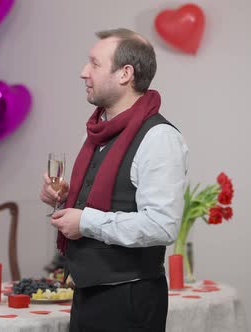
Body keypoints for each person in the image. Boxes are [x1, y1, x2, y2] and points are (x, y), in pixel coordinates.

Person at [40, 28, 188, 331]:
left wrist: (86, 222)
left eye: (94, 64)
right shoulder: (97, 131)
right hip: (87, 292)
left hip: (130, 299)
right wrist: (68, 197)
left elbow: (162, 225)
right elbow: (109, 196)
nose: (83, 72)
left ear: (125, 74)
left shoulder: (159, 137)